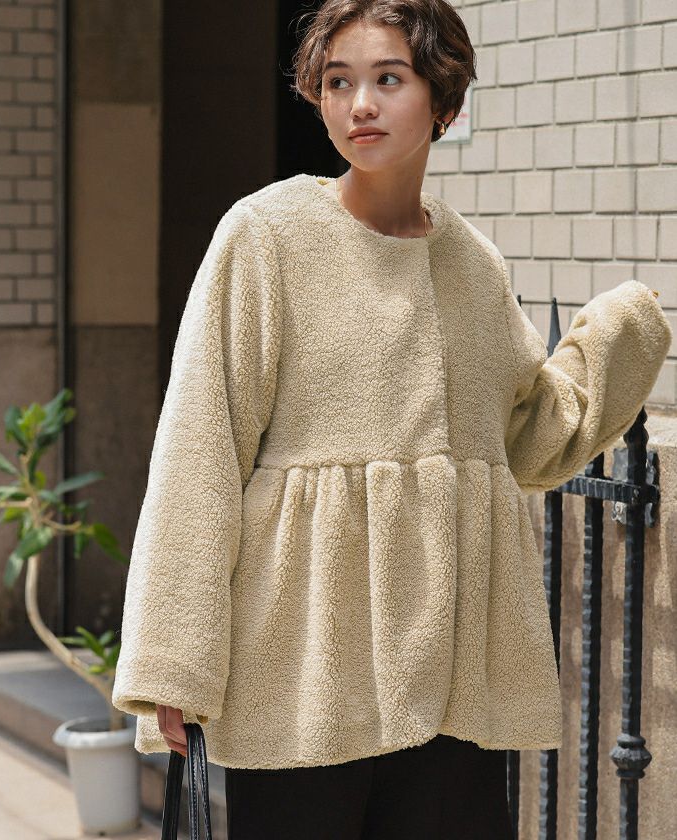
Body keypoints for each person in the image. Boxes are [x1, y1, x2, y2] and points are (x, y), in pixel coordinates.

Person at [111, 1, 670, 838]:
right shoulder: (265, 236)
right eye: (338, 82)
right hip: (303, 678)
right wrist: (174, 661)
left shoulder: (473, 263)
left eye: (388, 79)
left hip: (451, 679)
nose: (360, 104)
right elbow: (200, 449)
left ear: (444, 100)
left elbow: (525, 442)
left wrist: (622, 334)